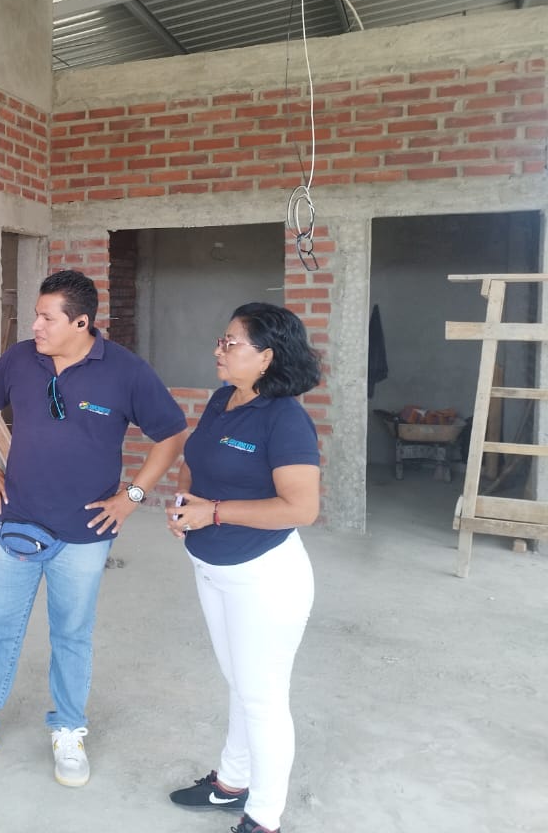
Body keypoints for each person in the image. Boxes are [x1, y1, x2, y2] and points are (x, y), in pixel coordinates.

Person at [0, 269, 185, 787]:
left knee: (71, 635)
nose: (36, 326)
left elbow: (171, 434)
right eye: (36, 316)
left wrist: (132, 496)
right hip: (18, 522)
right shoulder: (20, 359)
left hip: (84, 532)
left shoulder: (125, 371)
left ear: (81, 322)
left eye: (47, 318)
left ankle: (68, 728)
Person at [165, 302, 323, 833]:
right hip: (212, 568)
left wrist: (214, 512)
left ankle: (264, 817)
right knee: (240, 682)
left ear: (266, 357)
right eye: (221, 339)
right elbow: (195, 459)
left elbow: (301, 508)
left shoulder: (286, 419)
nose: (219, 349)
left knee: (263, 697)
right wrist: (185, 504)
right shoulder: (223, 399)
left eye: (230, 342)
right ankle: (231, 784)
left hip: (264, 578)